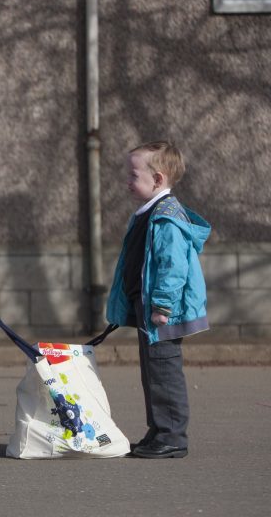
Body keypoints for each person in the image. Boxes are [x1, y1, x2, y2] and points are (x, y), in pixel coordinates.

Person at [106, 141, 210, 459]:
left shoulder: (166, 218)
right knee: (151, 373)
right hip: (147, 308)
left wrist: (162, 306)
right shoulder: (147, 214)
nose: (127, 181)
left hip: (163, 313)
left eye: (133, 175)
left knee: (164, 372)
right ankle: (158, 430)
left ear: (158, 179)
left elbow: (172, 267)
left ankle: (173, 436)